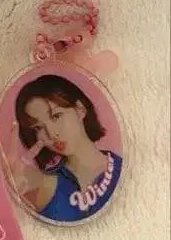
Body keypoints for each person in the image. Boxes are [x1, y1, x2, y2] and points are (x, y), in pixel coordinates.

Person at [8, 74, 123, 223]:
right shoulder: (45, 184)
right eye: (38, 128)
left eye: (56, 116)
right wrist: (7, 190)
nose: (51, 133)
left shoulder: (122, 169)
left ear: (80, 109)